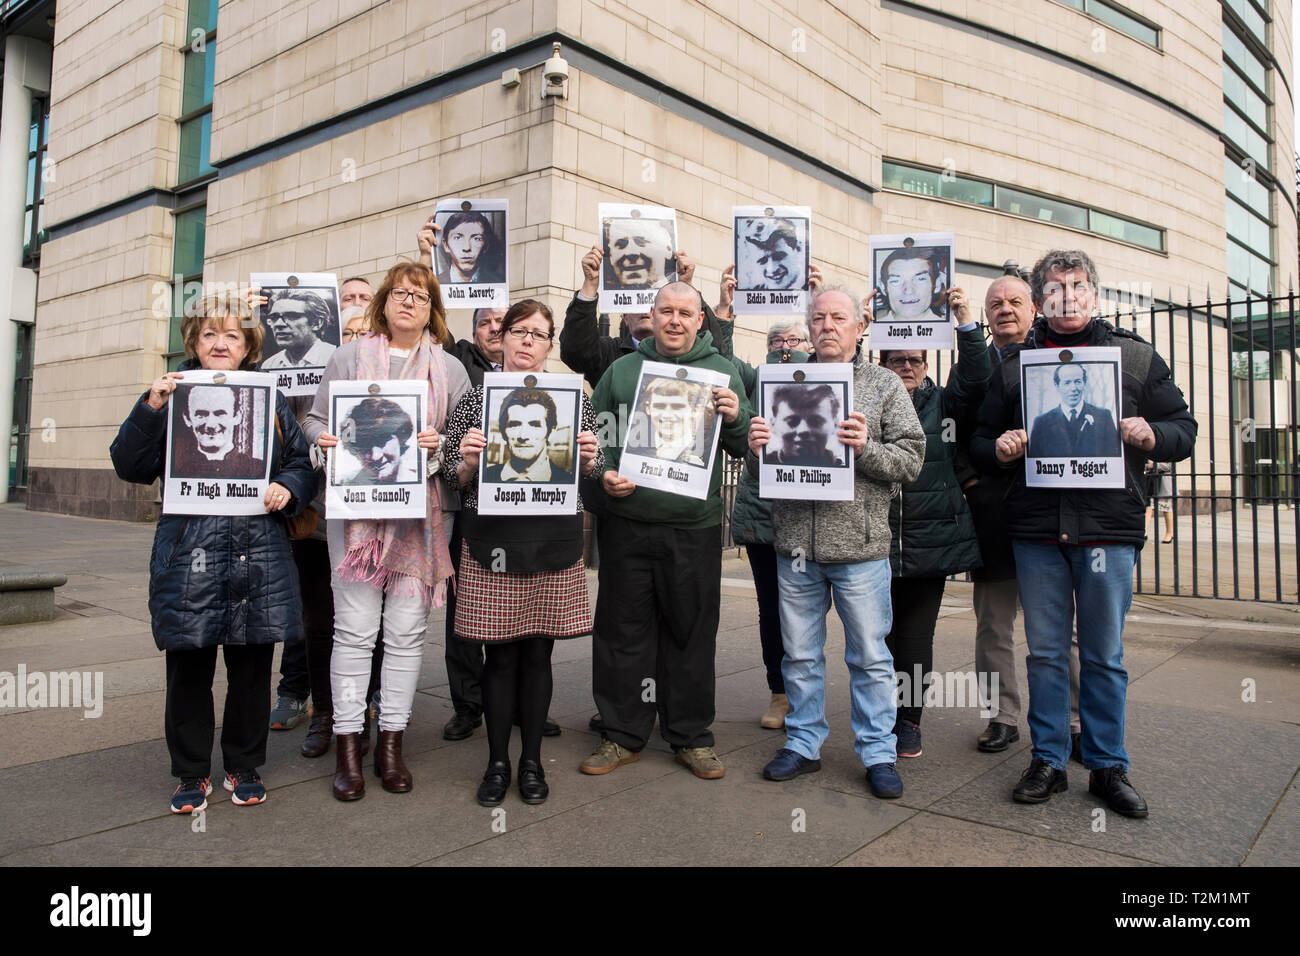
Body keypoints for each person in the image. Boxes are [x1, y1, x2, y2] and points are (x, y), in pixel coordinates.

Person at [972, 249, 1196, 818]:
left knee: (1103, 655)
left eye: (1076, 286)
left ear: (1093, 294)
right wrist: (998, 450)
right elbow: (980, 438)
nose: (1066, 296)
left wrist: (1152, 435)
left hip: (1107, 531)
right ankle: (1047, 758)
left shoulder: (1134, 358)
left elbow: (1184, 428)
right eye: (1054, 287)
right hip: (1038, 531)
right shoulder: (1013, 365)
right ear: (1041, 296)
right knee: (1046, 653)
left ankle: (1106, 765)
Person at [110, 293, 315, 813]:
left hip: (257, 554)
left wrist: (288, 487)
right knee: (189, 667)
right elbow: (129, 465)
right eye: (210, 334)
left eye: (233, 335)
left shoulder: (266, 400)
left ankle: (244, 764)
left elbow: (302, 462)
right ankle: (190, 772)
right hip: (190, 554)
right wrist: (151, 406)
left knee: (250, 667)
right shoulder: (172, 394)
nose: (220, 343)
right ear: (193, 342)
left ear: (247, 347)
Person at [747, 285, 925, 800]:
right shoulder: (782, 381)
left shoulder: (884, 384)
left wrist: (865, 448)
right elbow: (768, 468)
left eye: (838, 318)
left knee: (870, 656)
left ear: (860, 327)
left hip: (861, 549)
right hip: (795, 547)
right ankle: (802, 744)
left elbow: (910, 462)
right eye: (819, 318)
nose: (827, 326)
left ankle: (878, 752)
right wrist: (758, 450)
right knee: (799, 654)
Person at [304, 261, 471, 801]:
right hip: (355, 514)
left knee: (405, 634)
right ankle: (349, 745)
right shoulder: (349, 356)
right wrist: (324, 440)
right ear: (384, 301)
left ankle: (391, 745)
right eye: (400, 293)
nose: (409, 303)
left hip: (421, 518)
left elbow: (462, 446)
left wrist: (438, 446)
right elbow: (313, 418)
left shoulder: (451, 370)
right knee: (352, 631)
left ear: (432, 310)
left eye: (420, 297)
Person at [583, 281, 750, 780]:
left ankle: (690, 736)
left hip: (693, 529)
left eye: (685, 312)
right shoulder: (622, 370)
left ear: (702, 320)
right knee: (621, 633)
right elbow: (600, 437)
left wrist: (737, 417)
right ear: (651, 316)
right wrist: (604, 472)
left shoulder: (725, 372)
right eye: (666, 311)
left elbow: (744, 448)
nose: (675, 320)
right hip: (629, 526)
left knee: (691, 634)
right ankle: (622, 734)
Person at [443, 300, 602, 806]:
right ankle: (496, 763)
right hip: (492, 541)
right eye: (519, 331)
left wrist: (594, 458)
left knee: (538, 653)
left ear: (550, 344)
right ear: (502, 337)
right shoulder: (475, 399)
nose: (528, 341)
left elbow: (593, 472)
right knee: (500, 657)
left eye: (539, 333)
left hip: (552, 540)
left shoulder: (574, 397)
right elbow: (452, 473)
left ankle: (531, 761)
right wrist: (466, 461)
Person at [962, 275, 1081, 755]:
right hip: (993, 515)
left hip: (1049, 512)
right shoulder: (970, 367)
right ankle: (1002, 716)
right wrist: (971, 480)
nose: (1004, 309)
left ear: (1034, 308)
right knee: (993, 623)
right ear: (986, 315)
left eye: (1014, 301)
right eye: (995, 304)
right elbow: (956, 430)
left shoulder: (1052, 355)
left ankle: (1074, 720)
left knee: (1058, 626)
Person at [878, 286, 991, 759]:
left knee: (914, 639)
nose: (907, 366)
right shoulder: (865, 396)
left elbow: (977, 379)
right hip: (874, 540)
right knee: (877, 639)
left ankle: (909, 721)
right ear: (881, 362)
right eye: (897, 359)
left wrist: (966, 323)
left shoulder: (943, 404)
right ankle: (879, 718)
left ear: (927, 364)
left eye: (916, 360)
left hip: (931, 543)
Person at [725, 311, 813, 730]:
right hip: (764, 518)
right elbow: (723, 356)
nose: (785, 347)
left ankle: (806, 692)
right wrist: (725, 308)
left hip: (815, 518)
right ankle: (780, 693)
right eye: (777, 341)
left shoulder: (823, 374)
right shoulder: (755, 379)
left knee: (806, 609)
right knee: (772, 609)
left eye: (793, 340)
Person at [560, 245, 732, 388]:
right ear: (625, 317)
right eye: (637, 302)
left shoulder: (686, 353)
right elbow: (576, 351)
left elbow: (715, 347)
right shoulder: (610, 356)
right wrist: (590, 285)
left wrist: (685, 285)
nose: (645, 309)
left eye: (658, 304)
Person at [482, 387, 575, 483]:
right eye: (515, 425)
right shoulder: (485, 477)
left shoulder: (567, 481)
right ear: (503, 432)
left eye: (535, 425)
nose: (523, 436)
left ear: (551, 432)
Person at [1026, 363, 1120, 458]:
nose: (1073, 388)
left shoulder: (1103, 417)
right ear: (1057, 385)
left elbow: (1114, 458)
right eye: (1067, 383)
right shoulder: (1041, 423)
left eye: (1078, 382)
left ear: (1084, 383)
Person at [170, 385, 263, 478]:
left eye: (220, 414)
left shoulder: (258, 470)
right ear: (187, 419)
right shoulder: (178, 471)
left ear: (237, 417)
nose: (211, 425)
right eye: (201, 415)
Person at [624, 376, 711, 466]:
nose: (667, 415)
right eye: (659, 406)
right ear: (648, 408)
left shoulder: (707, 448)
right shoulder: (634, 446)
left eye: (677, 407)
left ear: (694, 410)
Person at [338, 397, 418, 484]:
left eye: (382, 442)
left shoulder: (422, 482)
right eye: (365, 447)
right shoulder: (345, 487)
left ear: (401, 439)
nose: (375, 456)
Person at [765, 383, 842, 466]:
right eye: (791, 422)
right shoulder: (761, 465)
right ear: (773, 424)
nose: (803, 430)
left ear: (835, 424)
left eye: (816, 421)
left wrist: (857, 456)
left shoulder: (844, 469)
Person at [262, 289, 337, 369]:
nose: (278, 324)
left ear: (317, 323)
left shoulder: (336, 357)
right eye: (274, 317)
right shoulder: (269, 365)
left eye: (291, 316)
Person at [874, 246, 946, 323]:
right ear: (883, 287)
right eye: (896, 281)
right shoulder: (873, 330)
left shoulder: (947, 332)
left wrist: (961, 320)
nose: (908, 291)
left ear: (937, 284)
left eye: (920, 279)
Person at [603, 217, 675, 290]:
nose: (631, 253)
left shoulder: (682, 294)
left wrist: (684, 283)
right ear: (611, 256)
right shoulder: (601, 297)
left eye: (641, 241)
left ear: (668, 249)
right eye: (621, 244)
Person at [436, 210, 503, 284]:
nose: (466, 247)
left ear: (486, 246)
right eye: (457, 238)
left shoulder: (499, 282)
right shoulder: (434, 284)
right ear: (446, 245)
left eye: (476, 239)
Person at [740, 217, 804, 291]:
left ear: (798, 248)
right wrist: (725, 302)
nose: (771, 269)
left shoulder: (810, 292)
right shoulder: (748, 295)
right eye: (762, 260)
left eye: (778, 257)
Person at [1145, 459, 1174, 542]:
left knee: (1166, 508)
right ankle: (1145, 531)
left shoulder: (1169, 449)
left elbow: (1170, 466)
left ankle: (1169, 533)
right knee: (1148, 506)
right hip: (1151, 481)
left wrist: (1154, 465)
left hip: (1164, 482)